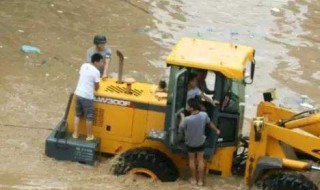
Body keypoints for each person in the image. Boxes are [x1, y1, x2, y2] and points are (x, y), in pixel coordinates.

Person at [179, 98, 220, 186]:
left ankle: (193, 179)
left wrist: (182, 117)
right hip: (200, 142)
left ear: (191, 108)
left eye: (188, 106)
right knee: (200, 160)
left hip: (190, 143)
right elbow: (210, 124)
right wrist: (217, 130)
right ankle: (200, 181)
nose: (186, 107)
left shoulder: (187, 119)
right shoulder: (204, 115)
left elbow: (181, 127)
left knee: (192, 160)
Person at [73, 53, 104, 141]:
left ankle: (75, 134)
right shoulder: (96, 72)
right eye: (101, 62)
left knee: (77, 114)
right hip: (87, 96)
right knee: (89, 117)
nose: (102, 64)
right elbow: (97, 86)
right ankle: (89, 136)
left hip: (78, 93)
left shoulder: (84, 65)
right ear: (96, 62)